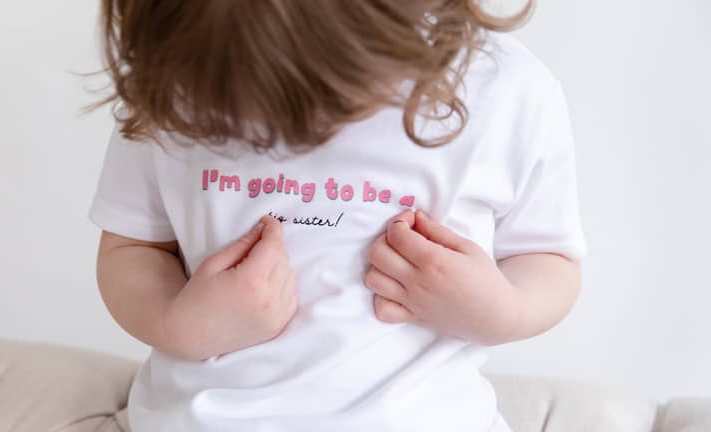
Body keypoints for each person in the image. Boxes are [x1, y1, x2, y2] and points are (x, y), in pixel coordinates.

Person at [88, 1, 586, 431]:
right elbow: (132, 247)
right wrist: (178, 324)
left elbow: (548, 257)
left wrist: (502, 311)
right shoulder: (175, 75)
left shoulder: (504, 89)